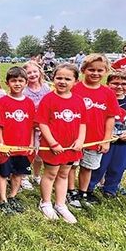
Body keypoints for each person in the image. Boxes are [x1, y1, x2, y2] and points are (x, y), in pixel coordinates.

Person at [36, 64, 86, 224]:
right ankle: (45, 203)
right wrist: (52, 143)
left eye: (67, 78)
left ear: (75, 81)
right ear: (53, 79)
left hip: (71, 147)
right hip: (53, 147)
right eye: (59, 78)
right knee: (50, 174)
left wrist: (80, 140)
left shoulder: (78, 101)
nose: (62, 81)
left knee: (64, 174)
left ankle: (60, 203)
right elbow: (42, 123)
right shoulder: (48, 99)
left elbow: (82, 123)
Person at [68, 54, 120, 207]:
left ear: (106, 71)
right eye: (91, 70)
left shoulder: (108, 93)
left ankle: (84, 191)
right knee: (72, 165)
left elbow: (111, 117)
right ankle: (71, 191)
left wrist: (106, 140)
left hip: (96, 138)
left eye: (100, 70)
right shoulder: (75, 88)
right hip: (73, 137)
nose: (95, 73)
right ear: (83, 70)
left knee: (88, 166)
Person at [86, 71, 126, 197]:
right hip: (104, 142)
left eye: (124, 84)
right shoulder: (102, 100)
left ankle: (110, 189)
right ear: (107, 84)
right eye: (115, 83)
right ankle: (88, 188)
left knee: (118, 168)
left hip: (123, 143)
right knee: (98, 167)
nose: (119, 86)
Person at [0, 67, 35, 215]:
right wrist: (1, 143)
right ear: (7, 83)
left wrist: (31, 144)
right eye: (13, 80)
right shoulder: (3, 101)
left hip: (23, 147)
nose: (17, 84)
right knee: (4, 173)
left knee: (18, 173)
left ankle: (12, 196)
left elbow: (31, 126)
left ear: (26, 83)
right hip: (7, 146)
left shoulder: (29, 103)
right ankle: (3, 199)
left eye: (20, 81)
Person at [22, 61, 51, 188]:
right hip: (28, 126)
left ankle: (36, 175)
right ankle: (23, 176)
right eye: (29, 73)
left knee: (40, 153)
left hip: (43, 126)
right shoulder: (23, 90)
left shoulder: (46, 88)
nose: (32, 75)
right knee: (29, 152)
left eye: (35, 71)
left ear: (40, 72)